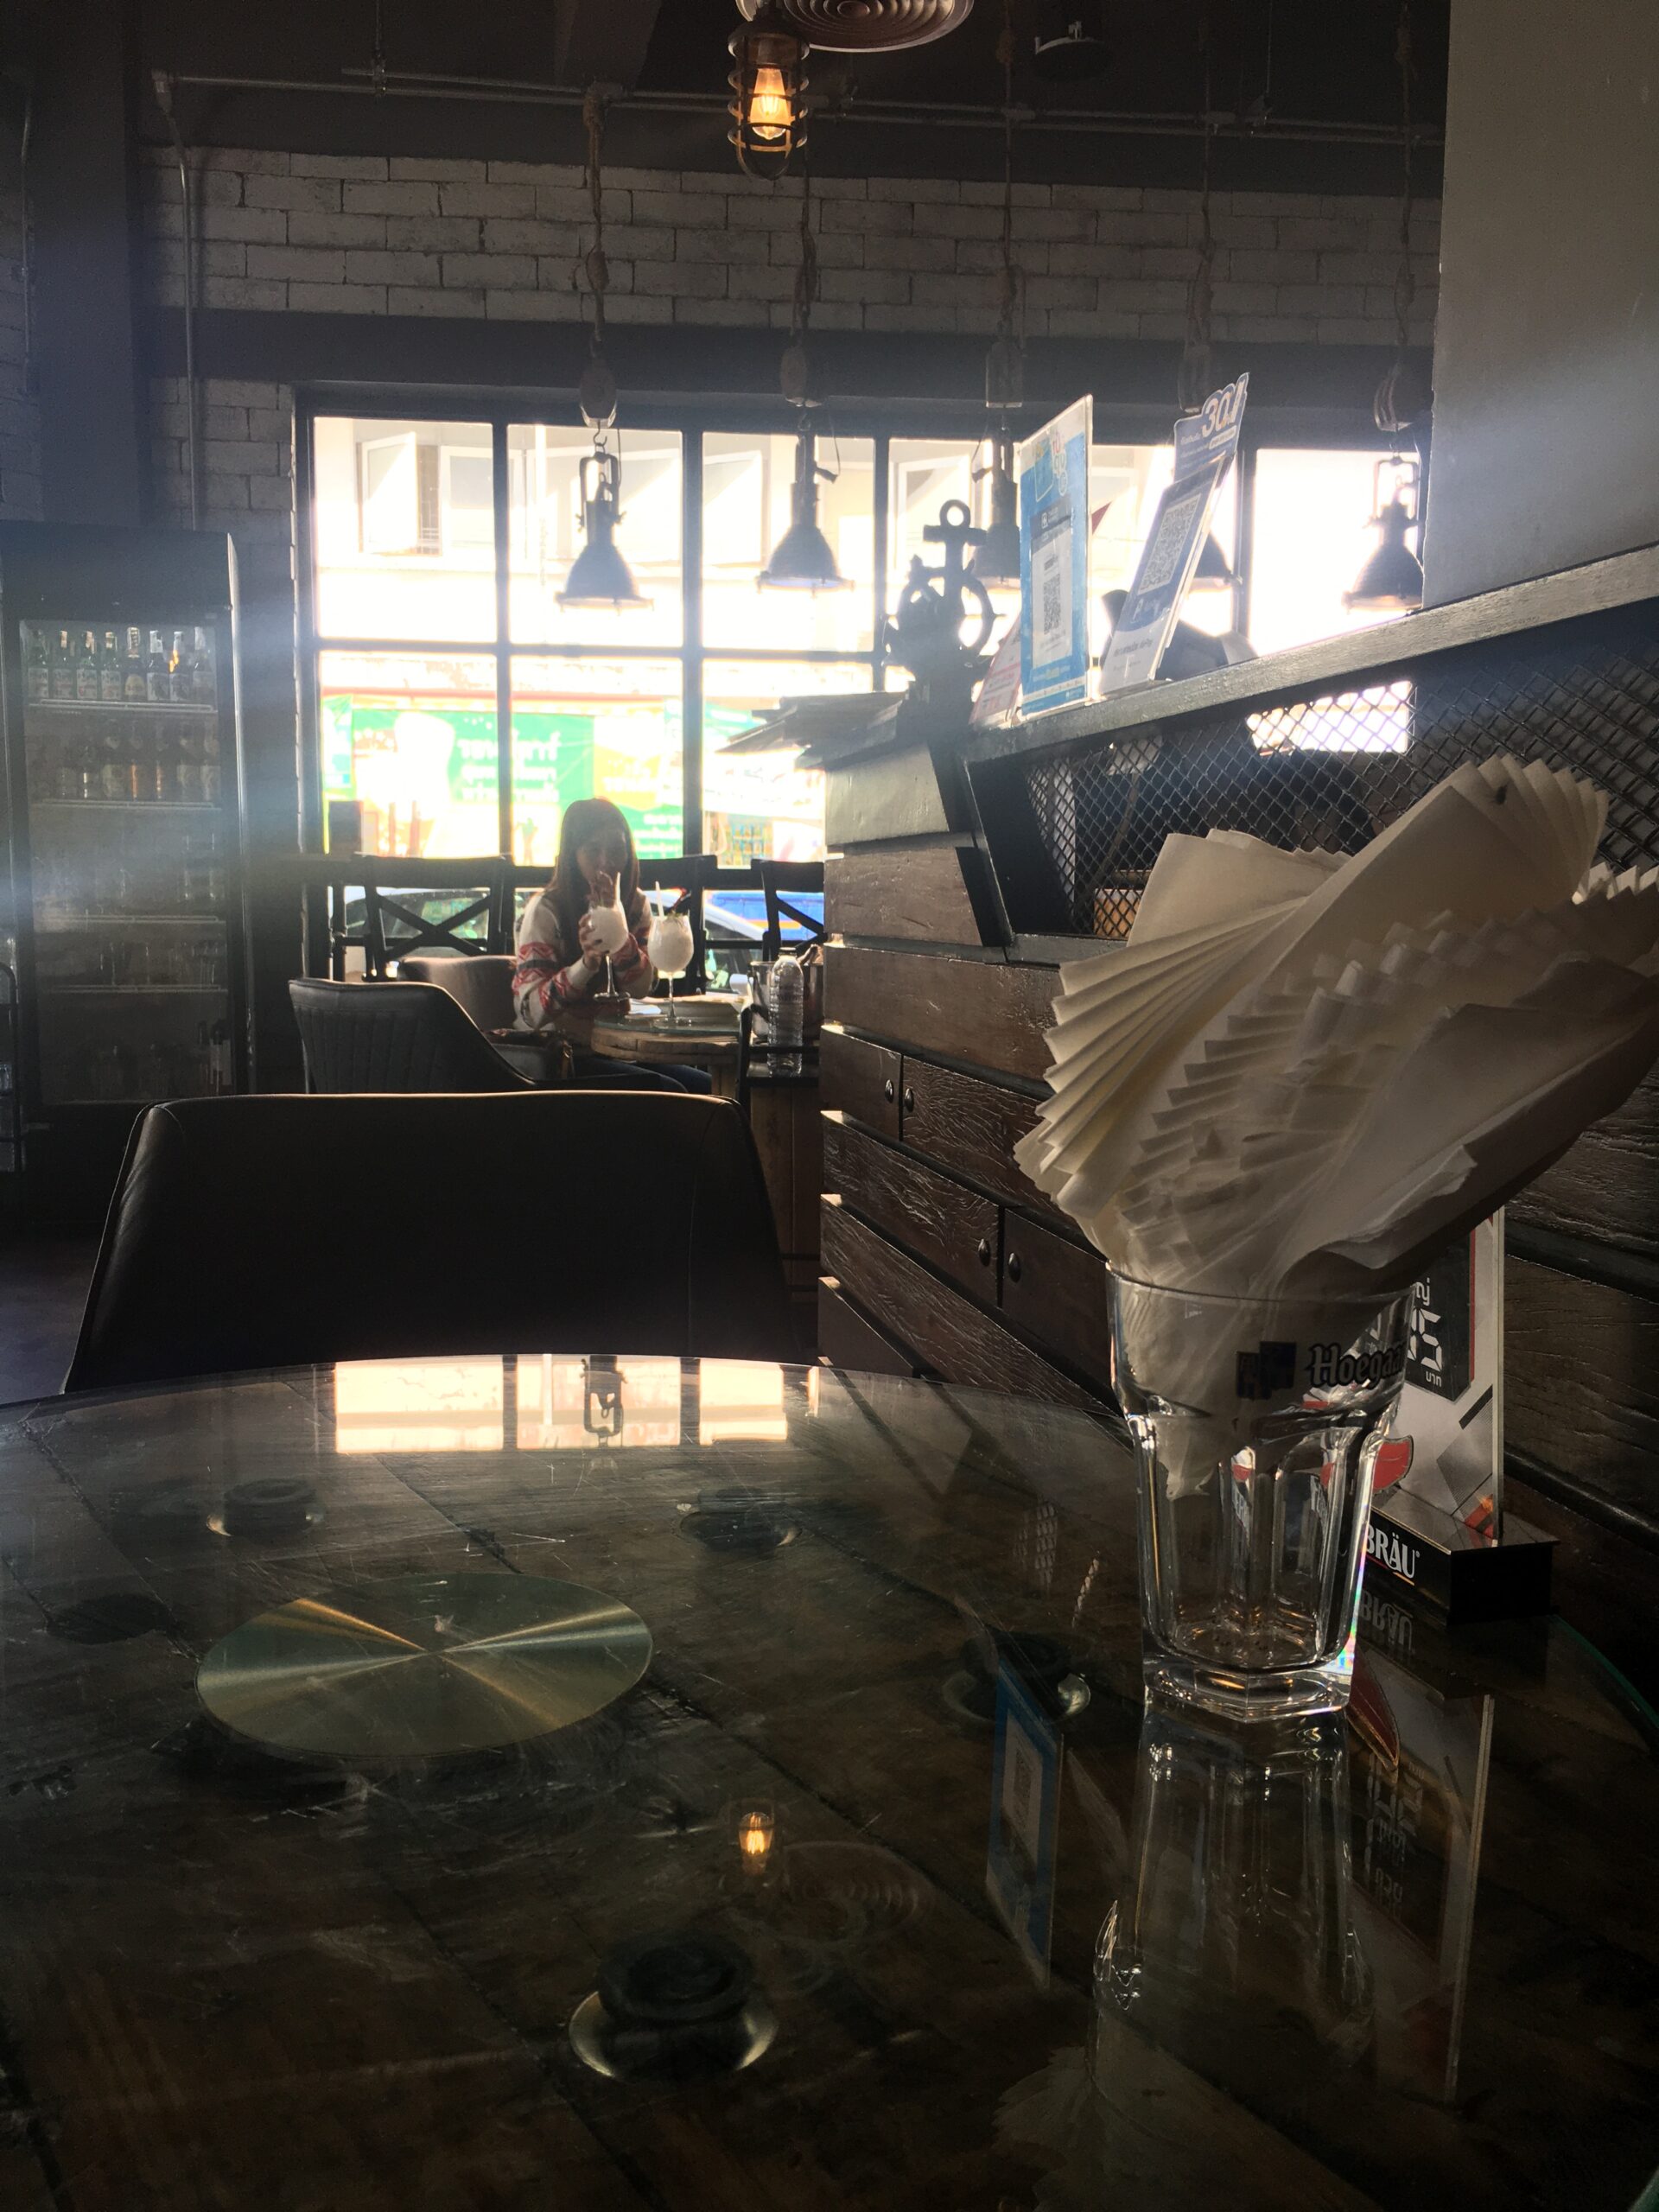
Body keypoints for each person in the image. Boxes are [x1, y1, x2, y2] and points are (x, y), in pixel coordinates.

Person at [513, 798, 712, 1093]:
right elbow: (533, 1013)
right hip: (559, 1057)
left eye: (617, 850)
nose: (606, 861)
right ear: (573, 855)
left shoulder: (636, 904)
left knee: (709, 1088)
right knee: (675, 1093)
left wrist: (620, 939)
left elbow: (641, 989)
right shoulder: (545, 910)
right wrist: (585, 966)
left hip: (617, 1049)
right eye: (593, 850)